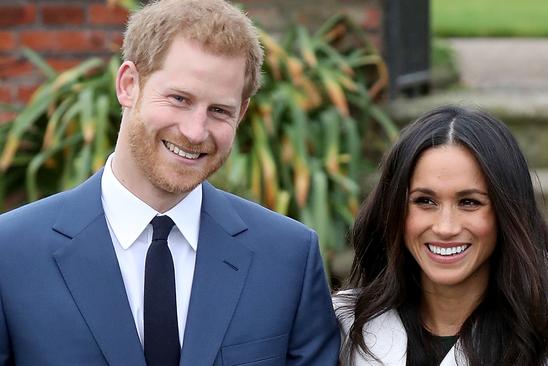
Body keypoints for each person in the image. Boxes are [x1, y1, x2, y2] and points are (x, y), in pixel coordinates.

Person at [0, 0, 340, 365]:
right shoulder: (11, 253)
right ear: (128, 84)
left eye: (219, 111)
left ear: (241, 114)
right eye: (179, 99)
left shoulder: (288, 257)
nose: (195, 131)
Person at [333, 106, 548, 366]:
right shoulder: (343, 325)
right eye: (425, 201)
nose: (445, 227)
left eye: (469, 202)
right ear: (394, 210)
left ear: (506, 213)